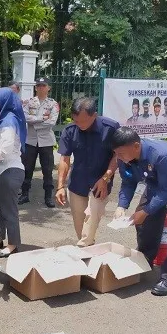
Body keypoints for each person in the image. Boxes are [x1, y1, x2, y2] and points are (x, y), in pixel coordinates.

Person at [111, 127, 167, 296]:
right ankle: (145, 261)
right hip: (155, 186)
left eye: (120, 153)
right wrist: (122, 206)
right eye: (116, 153)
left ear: (136, 146)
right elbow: (128, 182)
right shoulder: (124, 157)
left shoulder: (163, 155)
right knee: (144, 225)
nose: (118, 158)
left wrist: (145, 211)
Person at [56, 98, 120, 247]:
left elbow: (118, 155)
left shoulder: (110, 128)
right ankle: (89, 253)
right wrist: (60, 186)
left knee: (91, 219)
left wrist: (106, 178)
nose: (80, 125)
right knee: (81, 227)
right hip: (78, 183)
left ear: (94, 115)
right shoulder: (70, 130)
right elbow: (64, 159)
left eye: (83, 121)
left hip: (100, 183)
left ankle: (83, 251)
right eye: (76, 121)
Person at [0, 87, 27, 257]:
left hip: (10, 170)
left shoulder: (9, 121)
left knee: (9, 209)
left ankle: (13, 244)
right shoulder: (4, 120)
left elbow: (6, 150)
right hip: (0, 170)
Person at [19, 77, 59, 208]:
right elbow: (25, 117)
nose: (41, 87)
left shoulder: (53, 104)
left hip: (46, 141)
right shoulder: (28, 102)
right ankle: (24, 194)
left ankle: (48, 196)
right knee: (27, 168)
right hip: (30, 140)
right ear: (36, 87)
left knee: (47, 170)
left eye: (44, 85)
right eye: (39, 85)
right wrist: (41, 118)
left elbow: (52, 122)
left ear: (49, 88)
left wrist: (35, 123)